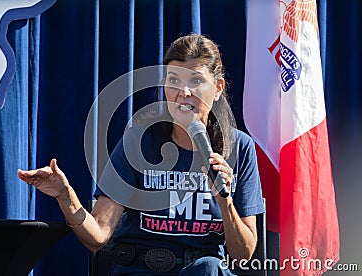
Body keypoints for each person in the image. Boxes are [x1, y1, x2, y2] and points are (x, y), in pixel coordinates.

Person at [17, 33, 265, 275]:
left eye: (196, 81)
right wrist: (64, 195)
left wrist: (225, 201)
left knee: (208, 268)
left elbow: (243, 254)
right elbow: (99, 236)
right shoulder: (138, 141)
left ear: (218, 87)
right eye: (174, 81)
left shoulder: (239, 148)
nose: (184, 92)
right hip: (142, 268)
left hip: (203, 270)